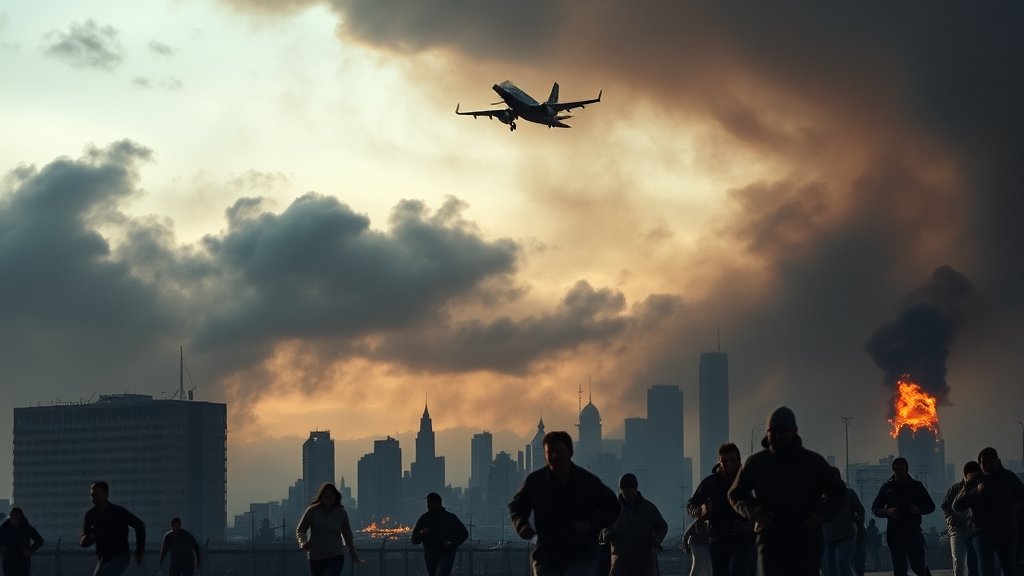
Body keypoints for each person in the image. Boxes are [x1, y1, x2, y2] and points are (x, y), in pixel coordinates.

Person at [727, 406, 847, 576]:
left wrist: (823, 513)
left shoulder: (812, 462)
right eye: (773, 431)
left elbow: (839, 492)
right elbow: (736, 494)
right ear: (767, 433)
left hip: (805, 539)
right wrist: (754, 511)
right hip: (770, 538)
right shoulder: (756, 463)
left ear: (794, 431)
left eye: (783, 431)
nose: (778, 436)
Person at [509, 430, 620, 576]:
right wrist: (521, 525)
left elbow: (613, 507)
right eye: (550, 452)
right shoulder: (536, 481)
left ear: (570, 452)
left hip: (581, 555)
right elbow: (517, 507)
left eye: (559, 451)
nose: (554, 456)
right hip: (548, 556)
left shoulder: (587, 482)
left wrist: (591, 524)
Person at [952, 447, 1024, 576]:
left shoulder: (1008, 477)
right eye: (984, 463)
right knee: (986, 568)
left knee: (1008, 566)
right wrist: (970, 489)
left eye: (990, 462)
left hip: (1006, 530)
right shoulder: (975, 480)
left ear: (997, 461)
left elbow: (1021, 496)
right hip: (982, 531)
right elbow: (957, 506)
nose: (987, 466)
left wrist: (1015, 506)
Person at [687, 446, 755, 576]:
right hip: (718, 539)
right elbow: (691, 505)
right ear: (720, 462)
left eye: (732, 461)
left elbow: (764, 505)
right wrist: (700, 510)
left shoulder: (749, 480)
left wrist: (751, 525)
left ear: (739, 461)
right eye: (725, 461)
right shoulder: (710, 483)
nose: (729, 465)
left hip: (744, 539)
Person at [870, 457, 935, 576]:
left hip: (913, 533)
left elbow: (931, 506)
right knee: (900, 569)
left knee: (918, 566)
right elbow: (875, 508)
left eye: (900, 469)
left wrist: (918, 509)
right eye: (895, 469)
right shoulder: (887, 487)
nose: (898, 472)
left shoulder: (916, 486)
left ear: (906, 470)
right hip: (895, 534)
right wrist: (887, 512)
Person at [605, 473, 668, 576]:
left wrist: (655, 540)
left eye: (629, 490)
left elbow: (662, 526)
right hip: (621, 559)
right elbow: (603, 528)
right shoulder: (613, 509)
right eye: (624, 490)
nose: (627, 494)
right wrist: (606, 534)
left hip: (643, 559)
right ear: (620, 490)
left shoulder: (647, 508)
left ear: (635, 489)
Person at [80, 481, 146, 576]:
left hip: (120, 556)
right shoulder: (90, 515)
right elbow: (84, 540)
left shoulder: (117, 512)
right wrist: (89, 538)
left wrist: (140, 550)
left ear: (106, 494)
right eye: (92, 495)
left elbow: (139, 525)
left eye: (96, 495)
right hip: (103, 558)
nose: (93, 498)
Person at [296, 482, 361, 576]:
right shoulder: (312, 511)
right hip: (316, 555)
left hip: (335, 554)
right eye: (326, 497)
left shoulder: (341, 513)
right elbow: (301, 530)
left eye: (330, 497)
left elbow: (347, 535)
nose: (328, 500)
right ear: (321, 497)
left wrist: (353, 553)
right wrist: (303, 542)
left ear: (335, 497)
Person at [410, 492, 469, 576]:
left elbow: (464, 533)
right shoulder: (426, 518)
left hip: (444, 553)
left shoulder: (448, 518)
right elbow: (414, 539)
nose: (428, 505)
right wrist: (422, 534)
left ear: (437, 503)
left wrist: (452, 543)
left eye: (430, 502)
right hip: (433, 554)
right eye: (428, 502)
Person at [822, 467, 865, 576]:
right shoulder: (822, 497)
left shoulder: (848, 494)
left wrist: (859, 527)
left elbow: (861, 511)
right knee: (828, 568)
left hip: (846, 535)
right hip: (828, 537)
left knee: (841, 563)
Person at [0, 508, 44, 576]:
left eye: (18, 516)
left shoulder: (27, 528)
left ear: (21, 517)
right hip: (8, 560)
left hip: (22, 560)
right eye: (14, 515)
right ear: (10, 516)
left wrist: (30, 550)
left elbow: (40, 541)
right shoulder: (4, 528)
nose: (15, 518)